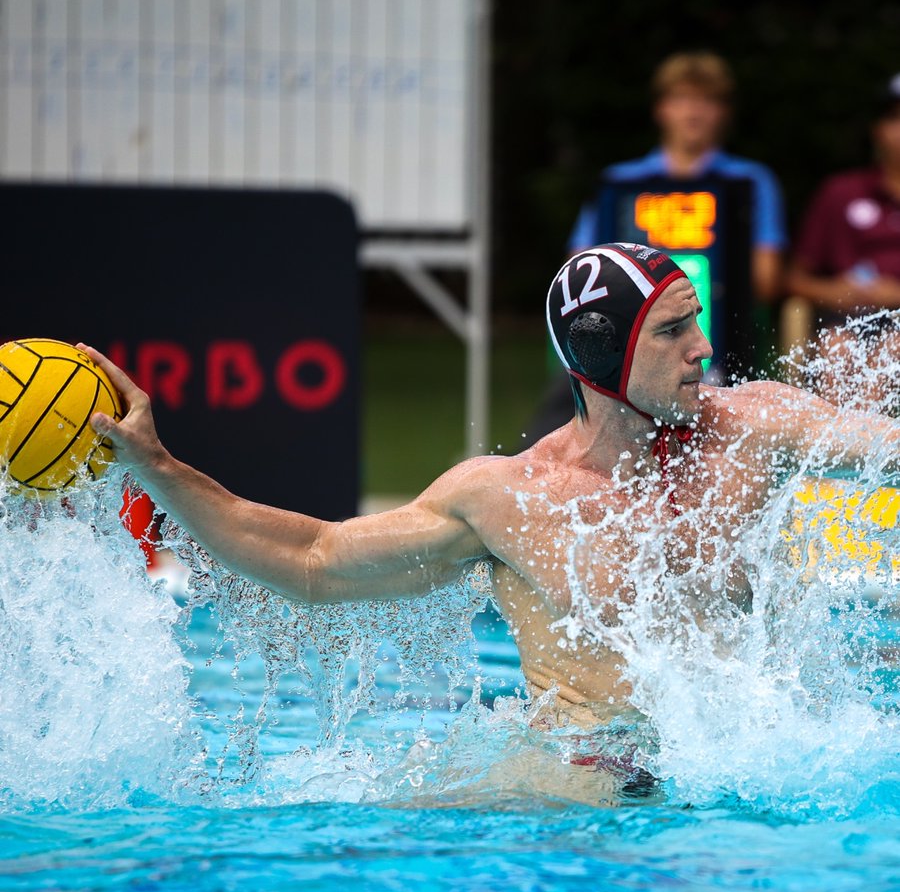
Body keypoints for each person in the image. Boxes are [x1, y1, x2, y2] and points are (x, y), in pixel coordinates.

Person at [79, 243, 897, 777]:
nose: (704, 350)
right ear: (606, 352)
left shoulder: (754, 428)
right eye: (675, 332)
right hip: (587, 780)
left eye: (698, 326)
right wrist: (157, 466)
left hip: (752, 765)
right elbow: (312, 561)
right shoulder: (509, 500)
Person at [527, 52, 788, 440]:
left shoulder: (750, 183)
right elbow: (577, 271)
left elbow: (766, 282)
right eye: (681, 99)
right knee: (554, 428)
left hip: (722, 347)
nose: (693, 113)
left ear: (723, 112)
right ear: (660, 109)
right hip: (619, 348)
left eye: (706, 101)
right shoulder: (617, 184)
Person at [784, 73, 900, 393]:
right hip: (844, 320)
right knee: (837, 349)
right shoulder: (840, 192)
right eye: (894, 118)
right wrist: (833, 291)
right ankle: (847, 442)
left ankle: (872, 442)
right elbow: (793, 278)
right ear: (877, 130)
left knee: (893, 347)